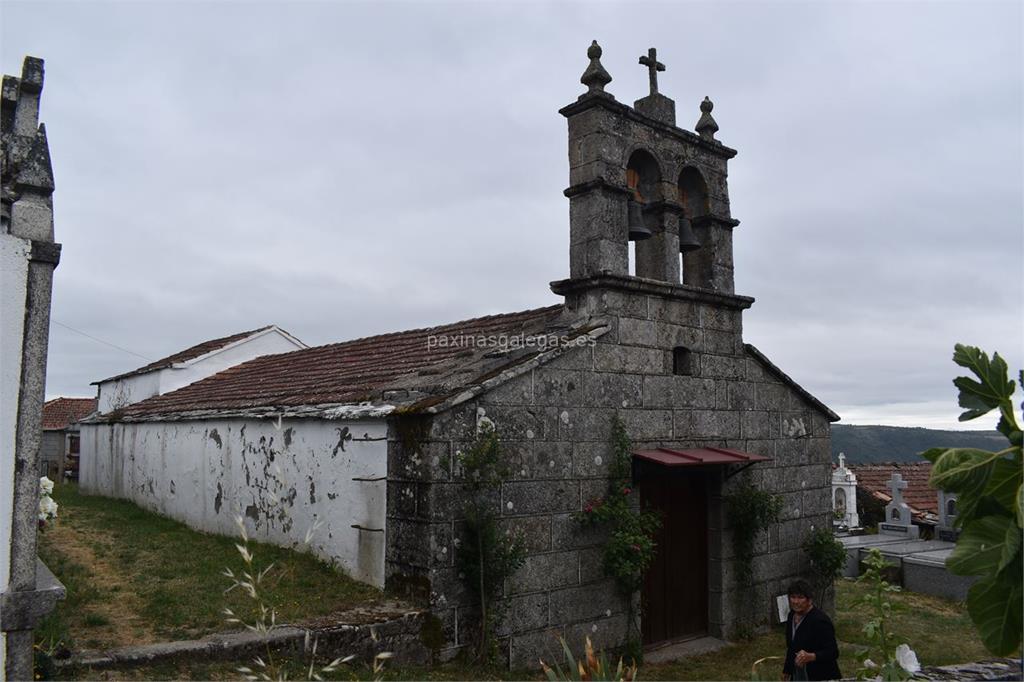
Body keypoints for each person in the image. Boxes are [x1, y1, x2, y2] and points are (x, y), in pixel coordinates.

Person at [782, 579, 841, 681]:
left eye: (800, 598)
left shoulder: (820, 621)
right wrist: (787, 670)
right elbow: (791, 647)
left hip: (821, 674)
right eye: (793, 597)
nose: (796, 601)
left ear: (809, 600)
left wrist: (812, 656)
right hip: (800, 674)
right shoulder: (791, 616)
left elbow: (833, 652)